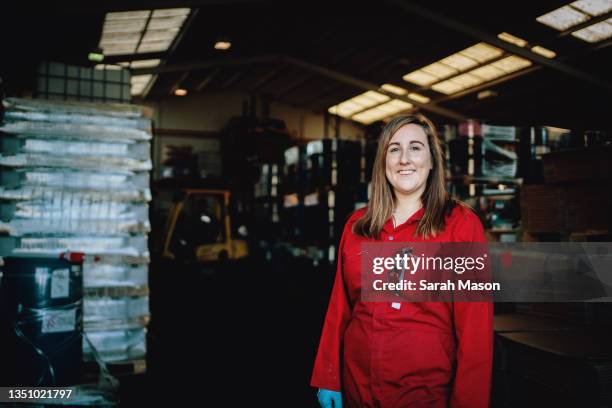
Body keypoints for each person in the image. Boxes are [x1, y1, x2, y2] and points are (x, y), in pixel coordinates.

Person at [311, 114, 493, 408]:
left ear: (432, 160)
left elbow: (475, 331)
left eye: (416, 148)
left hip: (425, 395)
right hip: (357, 387)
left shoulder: (461, 226)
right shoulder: (357, 225)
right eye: (394, 149)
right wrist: (328, 376)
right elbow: (339, 308)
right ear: (383, 162)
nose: (404, 159)